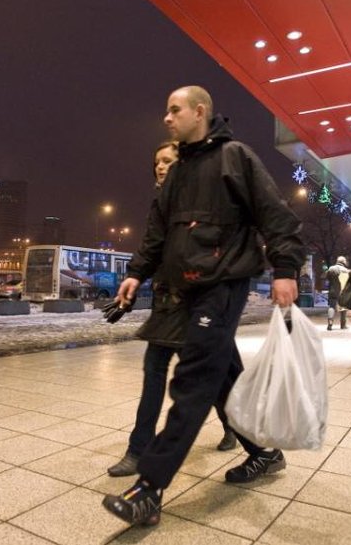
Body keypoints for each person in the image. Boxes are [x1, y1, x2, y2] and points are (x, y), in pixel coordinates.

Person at [102, 85, 305, 526]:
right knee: (220, 380)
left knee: (192, 379)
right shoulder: (176, 173)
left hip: (223, 284)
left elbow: (275, 214)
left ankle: (149, 488)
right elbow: (158, 233)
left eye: (174, 110)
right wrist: (137, 272)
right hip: (184, 291)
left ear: (200, 112)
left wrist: (286, 268)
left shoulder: (236, 158)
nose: (166, 118)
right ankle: (264, 453)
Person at [107, 141, 237, 479]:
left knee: (218, 377)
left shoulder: (201, 197)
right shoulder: (161, 203)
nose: (161, 167)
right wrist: (133, 282)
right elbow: (152, 246)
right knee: (155, 370)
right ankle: (138, 450)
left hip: (200, 302)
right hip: (169, 302)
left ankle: (238, 430)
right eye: (157, 163)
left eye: (168, 160)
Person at [325, 255, 351, 330]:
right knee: (343, 308)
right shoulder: (346, 270)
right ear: (343, 262)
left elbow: (327, 278)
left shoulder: (331, 268)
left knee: (331, 306)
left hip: (333, 290)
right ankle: (343, 324)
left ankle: (330, 322)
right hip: (342, 292)